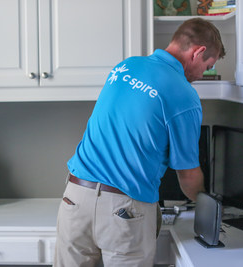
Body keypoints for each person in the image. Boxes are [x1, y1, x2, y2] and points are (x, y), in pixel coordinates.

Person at [54, 18, 225, 267]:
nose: (202, 74)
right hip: (123, 208)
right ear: (198, 52)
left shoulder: (126, 66)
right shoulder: (184, 95)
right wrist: (207, 207)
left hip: (75, 197)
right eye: (207, 66)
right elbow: (187, 175)